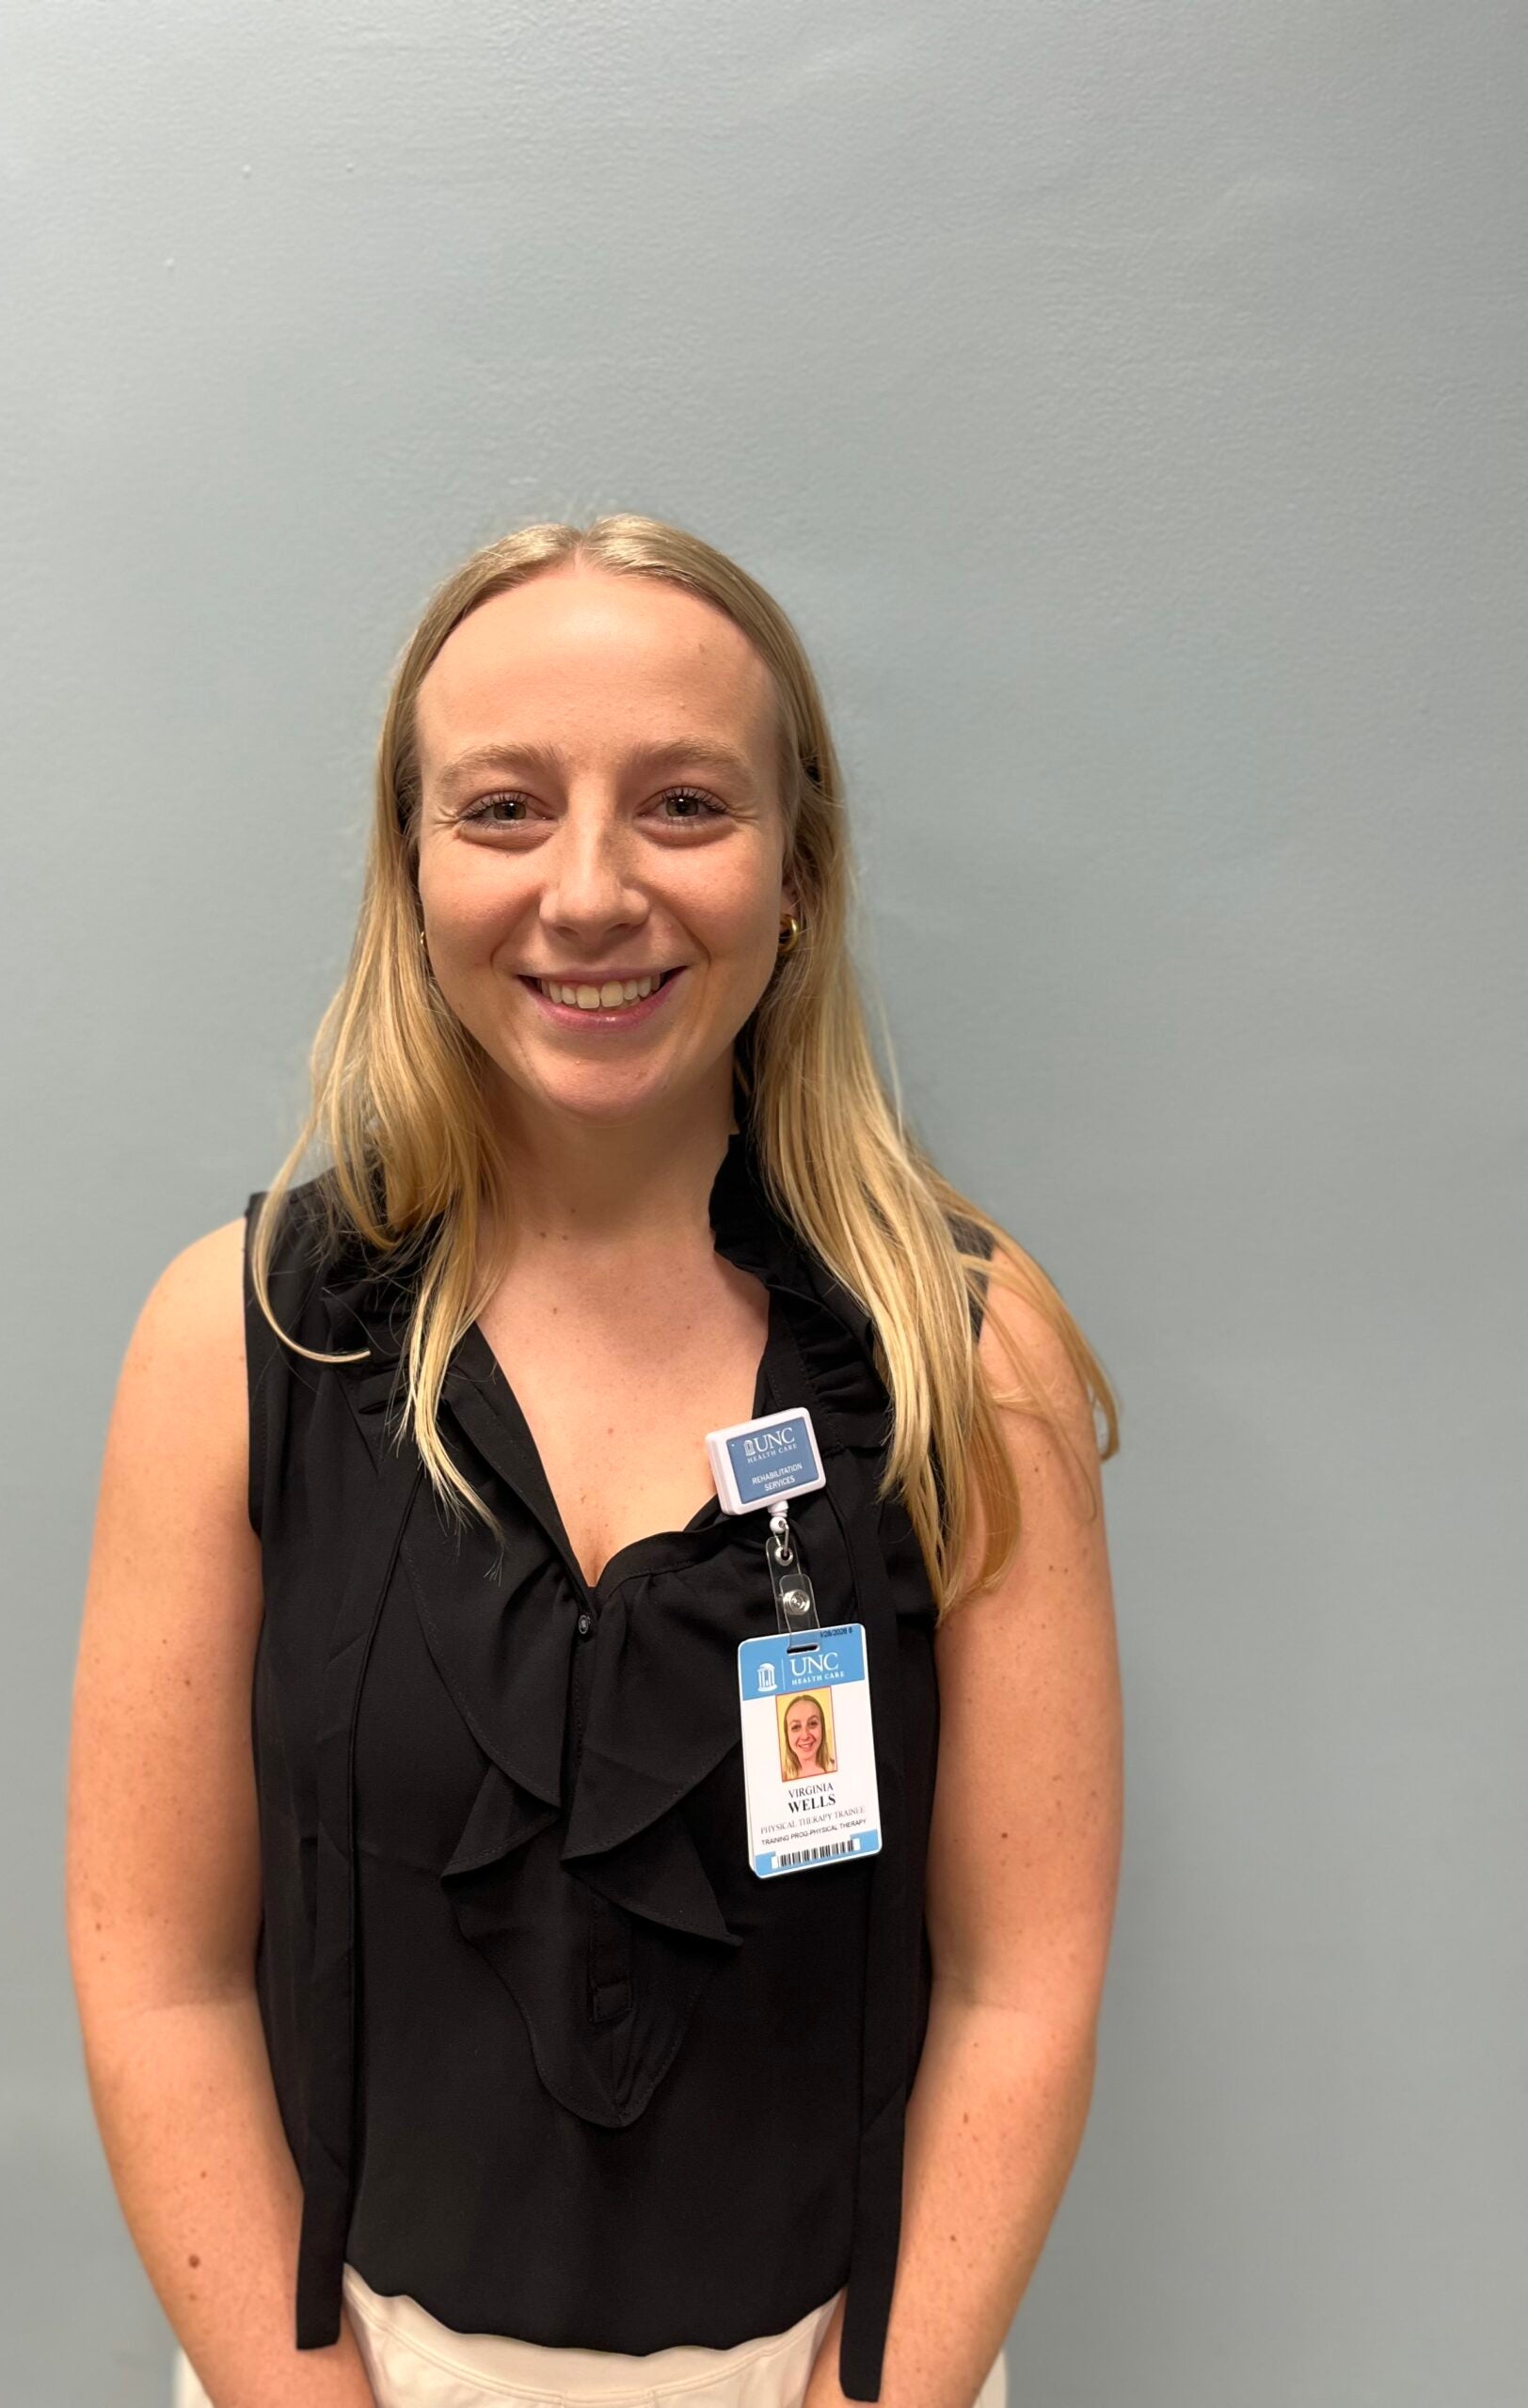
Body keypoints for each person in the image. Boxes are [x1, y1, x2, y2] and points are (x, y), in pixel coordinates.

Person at [67, 514, 1122, 2408]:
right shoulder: (238, 1343)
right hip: (345, 2366)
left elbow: (1023, 1984)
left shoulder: (968, 1351)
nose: (590, 889)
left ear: (798, 865)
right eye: (502, 807)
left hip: (833, 2369)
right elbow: (158, 1976)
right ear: (409, 865)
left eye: (685, 804)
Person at [780, 1692, 836, 1782]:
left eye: (812, 1723)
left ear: (822, 1728)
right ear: (787, 1735)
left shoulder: (840, 1768)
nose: (805, 1736)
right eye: (796, 1727)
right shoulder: (779, 1779)